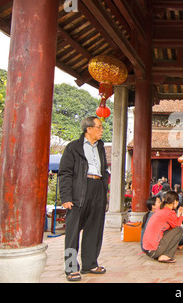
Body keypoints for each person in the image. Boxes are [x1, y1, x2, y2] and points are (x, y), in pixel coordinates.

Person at [58, 116, 110, 282]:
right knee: (72, 232)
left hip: (97, 187)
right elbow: (65, 173)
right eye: (99, 127)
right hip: (79, 190)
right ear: (89, 129)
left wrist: (104, 191)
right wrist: (66, 196)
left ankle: (90, 263)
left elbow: (104, 170)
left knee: (94, 229)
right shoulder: (73, 147)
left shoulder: (100, 147)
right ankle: (71, 268)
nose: (102, 130)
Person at [143, 191, 183, 263]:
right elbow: (177, 225)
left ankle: (178, 245)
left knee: (169, 231)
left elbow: (173, 223)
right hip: (154, 251)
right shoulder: (168, 212)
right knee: (179, 230)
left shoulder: (161, 209)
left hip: (148, 249)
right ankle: (166, 255)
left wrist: (178, 214)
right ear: (175, 202)